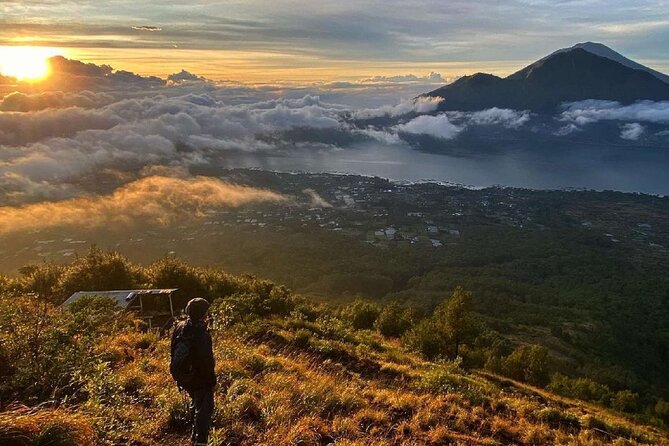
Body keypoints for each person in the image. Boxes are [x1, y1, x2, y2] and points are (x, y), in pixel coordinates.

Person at [170, 298, 216, 446]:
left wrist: (176, 372)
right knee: (205, 408)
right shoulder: (202, 334)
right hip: (198, 377)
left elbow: (172, 349)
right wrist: (212, 382)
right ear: (203, 314)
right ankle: (200, 441)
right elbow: (206, 362)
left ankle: (193, 435)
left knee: (195, 401)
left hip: (182, 374)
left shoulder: (180, 326)